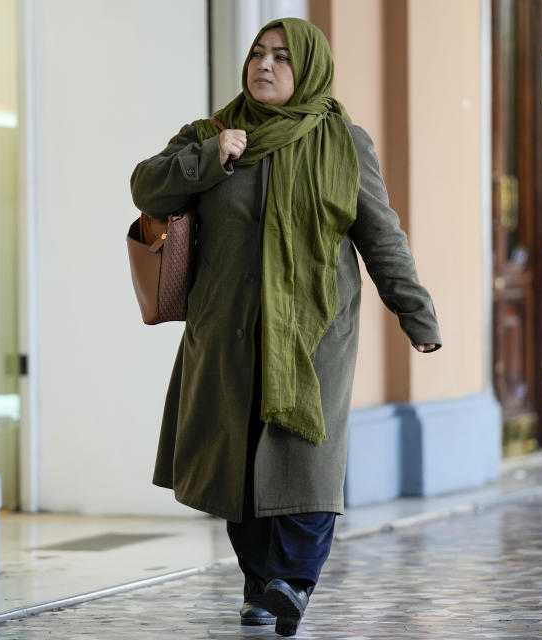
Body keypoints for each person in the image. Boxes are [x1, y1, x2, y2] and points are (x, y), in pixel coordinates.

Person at [129, 17, 441, 638]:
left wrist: (416, 313)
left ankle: (294, 581)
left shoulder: (344, 143)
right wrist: (209, 159)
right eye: (257, 54)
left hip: (315, 334)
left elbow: (382, 238)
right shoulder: (210, 135)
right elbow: (145, 187)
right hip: (228, 334)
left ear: (310, 70)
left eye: (281, 57)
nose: (264, 65)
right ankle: (258, 585)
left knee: (306, 463)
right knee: (239, 468)